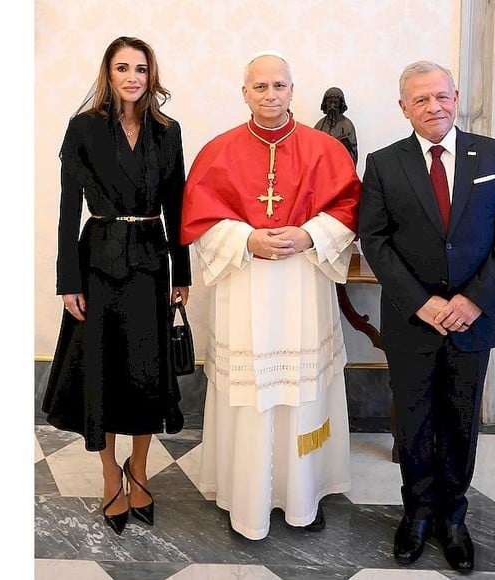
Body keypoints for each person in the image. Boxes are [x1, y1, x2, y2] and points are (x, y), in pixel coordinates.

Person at [180, 51, 361, 541]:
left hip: (304, 281)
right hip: (246, 285)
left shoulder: (326, 149)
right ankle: (245, 491)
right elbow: (197, 219)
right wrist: (245, 239)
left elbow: (349, 206)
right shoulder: (218, 151)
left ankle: (305, 492)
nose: (269, 94)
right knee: (251, 393)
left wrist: (309, 235)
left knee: (304, 392)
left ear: (292, 90)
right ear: (244, 93)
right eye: (259, 87)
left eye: (278, 85)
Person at [359, 61, 495, 571]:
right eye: (421, 100)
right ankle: (417, 515)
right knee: (413, 422)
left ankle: (454, 516)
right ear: (403, 107)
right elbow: (376, 240)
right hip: (413, 322)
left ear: (456, 96)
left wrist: (473, 299)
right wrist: (422, 302)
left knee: (459, 421)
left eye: (441, 96)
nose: (434, 107)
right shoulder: (384, 163)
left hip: (474, 319)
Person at [41, 36, 191, 536]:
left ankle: (140, 470)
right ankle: (109, 473)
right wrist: (68, 281)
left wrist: (183, 274)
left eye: (141, 69)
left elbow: (178, 208)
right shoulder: (82, 129)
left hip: (152, 260)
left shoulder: (167, 132)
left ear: (152, 76)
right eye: (122, 67)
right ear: (107, 73)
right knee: (101, 373)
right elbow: (67, 214)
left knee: (147, 373)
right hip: (98, 262)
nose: (132, 77)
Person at [314, 87, 358, 165]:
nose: (332, 106)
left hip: (341, 167)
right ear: (325, 103)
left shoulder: (347, 125)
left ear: (341, 104)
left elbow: (353, 153)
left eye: (335, 102)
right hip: (323, 169)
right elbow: (312, 151)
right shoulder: (319, 125)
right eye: (330, 102)